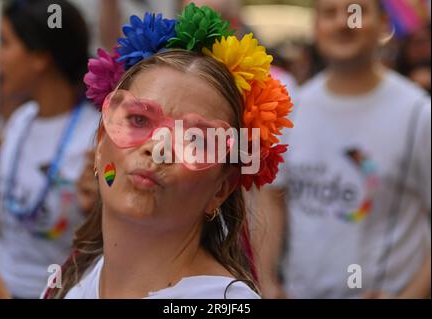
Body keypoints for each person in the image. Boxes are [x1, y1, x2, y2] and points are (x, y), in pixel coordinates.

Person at [43, 3, 294, 299]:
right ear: (100, 144)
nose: (157, 148)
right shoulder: (72, 282)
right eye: (138, 119)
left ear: (222, 188)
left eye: (194, 141)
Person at [259, 0, 431, 298]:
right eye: (329, 13)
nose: (343, 22)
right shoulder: (294, 109)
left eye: (356, 11)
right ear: (315, 27)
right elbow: (274, 199)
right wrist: (267, 280)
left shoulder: (419, 114)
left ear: (383, 23)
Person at [0, 0, 99, 298]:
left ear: (40, 57)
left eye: (4, 43)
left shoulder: (95, 135)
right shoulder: (22, 121)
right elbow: (15, 221)